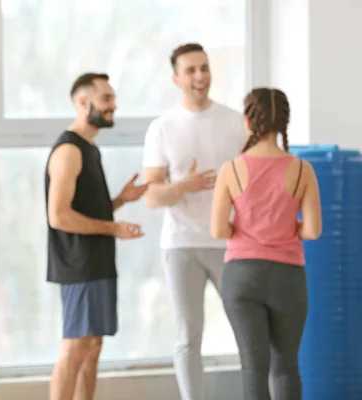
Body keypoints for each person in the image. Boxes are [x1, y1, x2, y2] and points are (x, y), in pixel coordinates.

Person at [141, 43, 247, 400]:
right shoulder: (163, 128)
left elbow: (255, 180)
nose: (200, 76)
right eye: (190, 70)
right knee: (188, 335)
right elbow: (152, 196)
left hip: (229, 241)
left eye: (204, 68)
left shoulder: (236, 122)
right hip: (181, 245)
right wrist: (183, 185)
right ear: (176, 78)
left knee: (246, 330)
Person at [210, 88, 322, 400]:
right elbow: (313, 230)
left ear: (248, 122)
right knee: (286, 367)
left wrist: (247, 227)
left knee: (253, 368)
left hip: (242, 277)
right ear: (285, 122)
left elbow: (219, 229)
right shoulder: (302, 170)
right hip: (288, 277)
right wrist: (285, 226)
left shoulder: (230, 170)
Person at [46, 72, 148, 400]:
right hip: (79, 265)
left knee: (92, 347)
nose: (113, 106)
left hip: (97, 263)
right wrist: (114, 228)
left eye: (112, 99)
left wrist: (119, 200)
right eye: (106, 99)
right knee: (76, 347)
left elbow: (84, 208)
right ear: (82, 102)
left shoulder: (89, 149)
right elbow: (58, 215)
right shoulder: (69, 150)